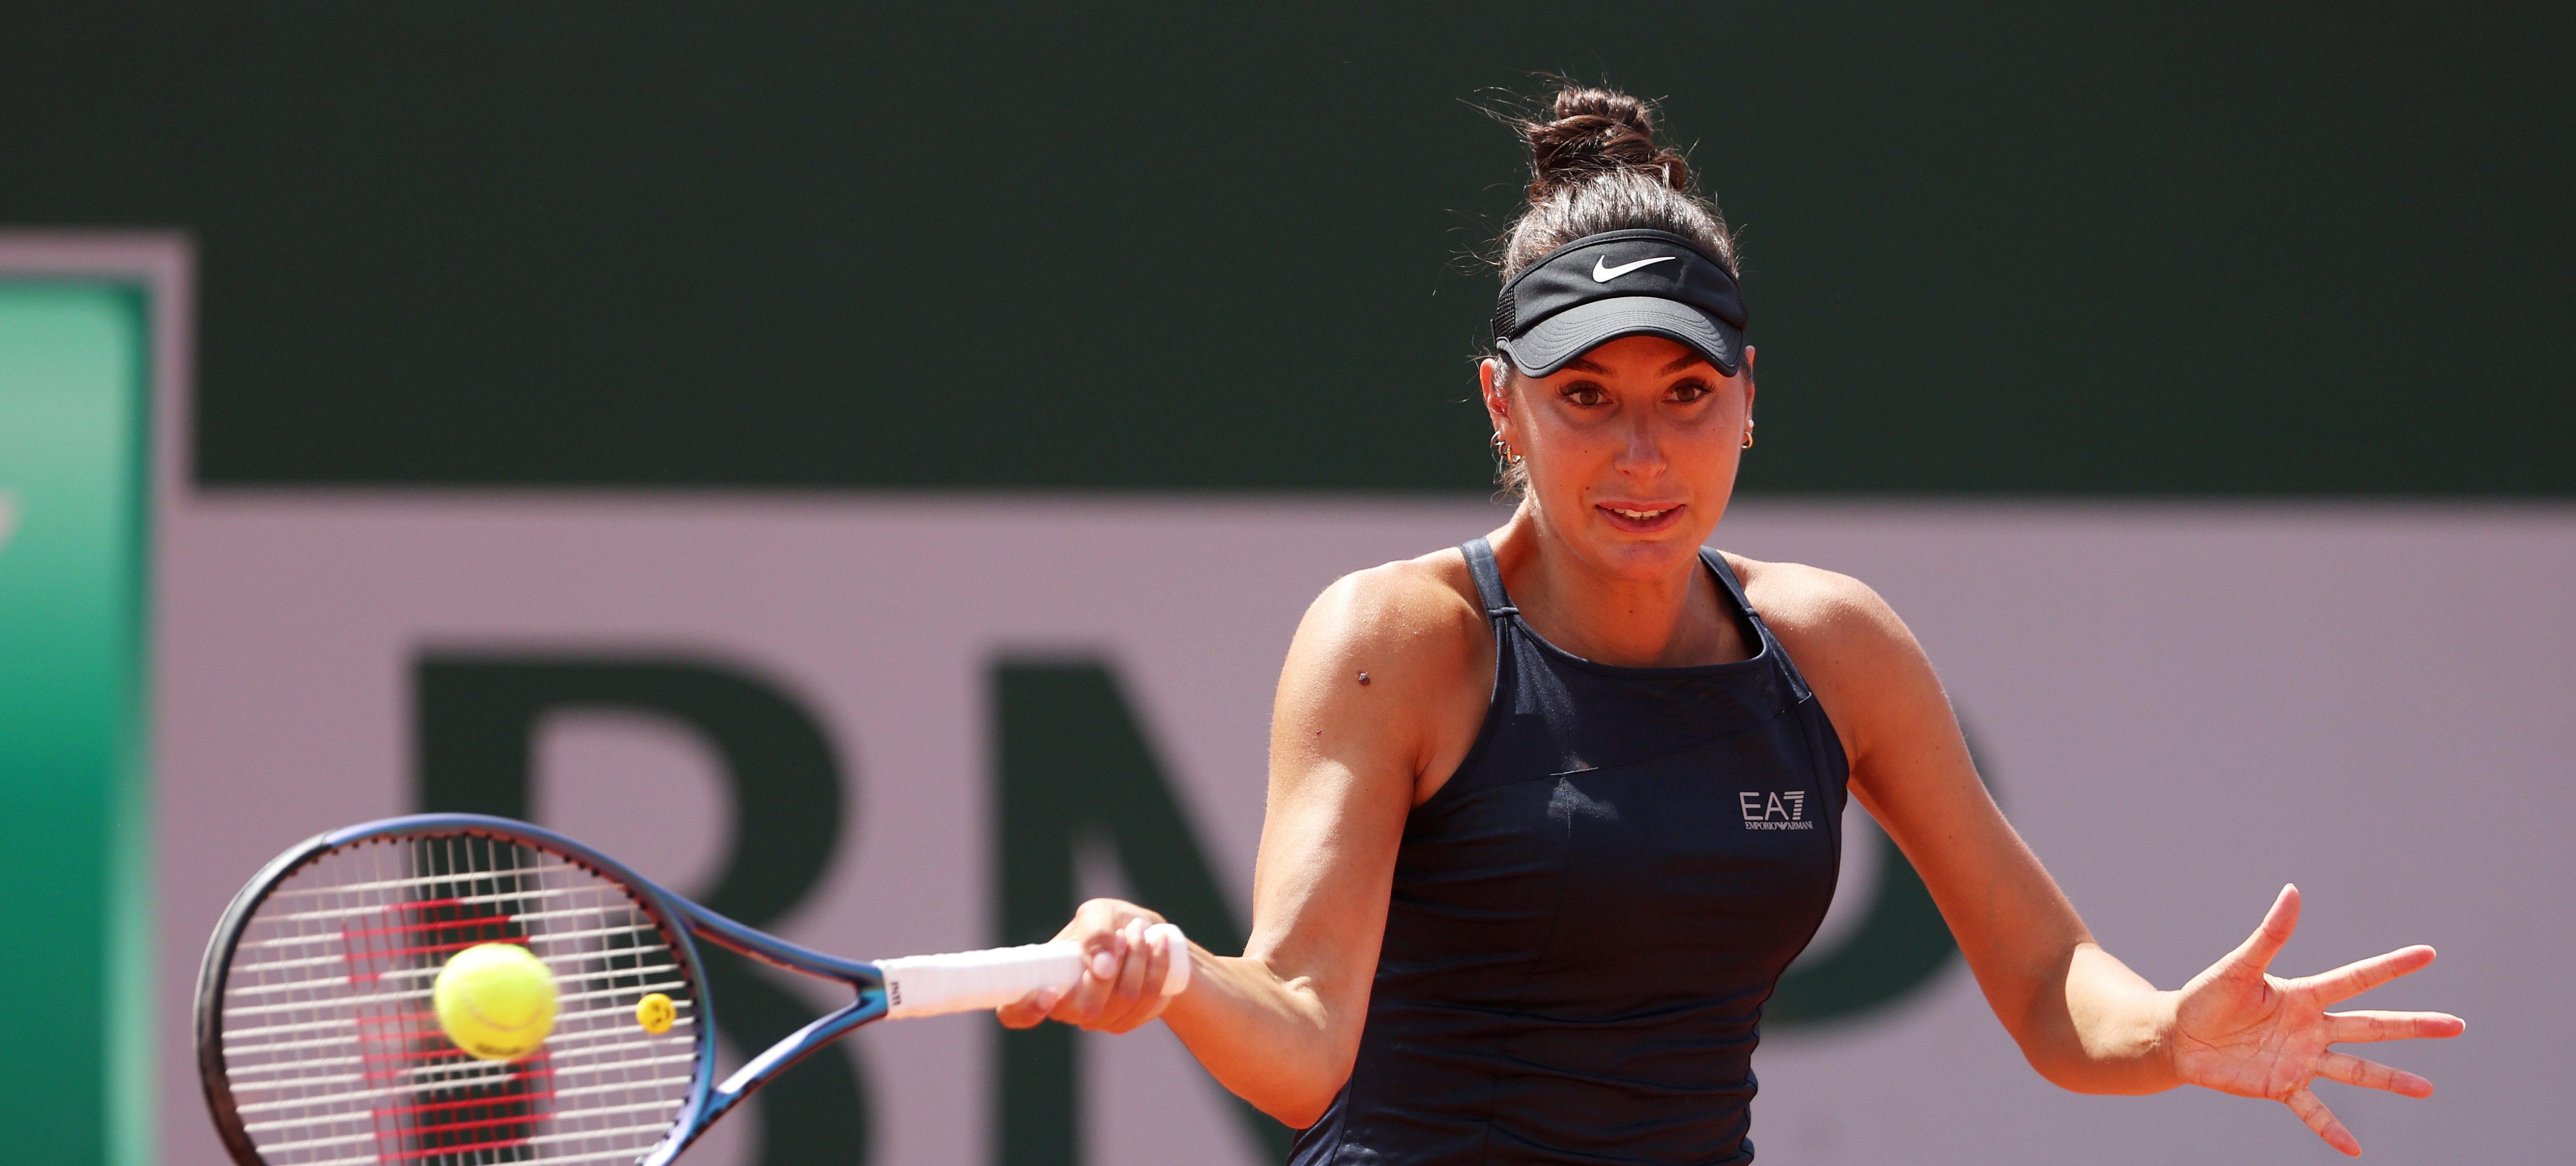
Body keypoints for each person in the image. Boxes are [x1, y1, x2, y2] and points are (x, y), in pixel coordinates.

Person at [997, 84, 2462, 1163]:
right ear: (1504, 402)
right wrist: (1181, 974)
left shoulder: (1835, 647)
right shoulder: (1399, 638)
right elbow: (1307, 1045)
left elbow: (2043, 980)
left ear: (1748, 397)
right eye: (1588, 400)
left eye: (1686, 396)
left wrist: (2170, 1034)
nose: (1644, 457)